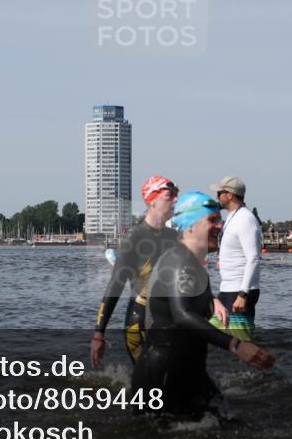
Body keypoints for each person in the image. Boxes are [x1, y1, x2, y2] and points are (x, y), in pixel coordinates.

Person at [131, 192, 274, 418]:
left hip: (191, 373)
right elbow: (182, 315)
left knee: (228, 429)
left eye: (220, 219)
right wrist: (236, 345)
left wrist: (211, 301)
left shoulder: (193, 264)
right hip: (163, 378)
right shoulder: (178, 262)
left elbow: (186, 299)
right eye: (212, 220)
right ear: (189, 227)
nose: (220, 225)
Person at [91, 175, 179, 367]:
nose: (175, 200)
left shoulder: (173, 237)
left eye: (176, 195)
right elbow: (115, 285)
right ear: (152, 200)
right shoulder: (136, 235)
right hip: (139, 323)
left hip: (168, 319)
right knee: (152, 384)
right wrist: (99, 333)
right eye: (169, 195)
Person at [209, 176, 263, 342]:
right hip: (228, 289)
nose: (217, 197)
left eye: (219, 193)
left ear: (230, 195)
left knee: (242, 343)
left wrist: (243, 294)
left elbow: (253, 258)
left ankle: (256, 366)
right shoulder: (233, 217)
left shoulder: (245, 219)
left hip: (239, 291)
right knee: (214, 337)